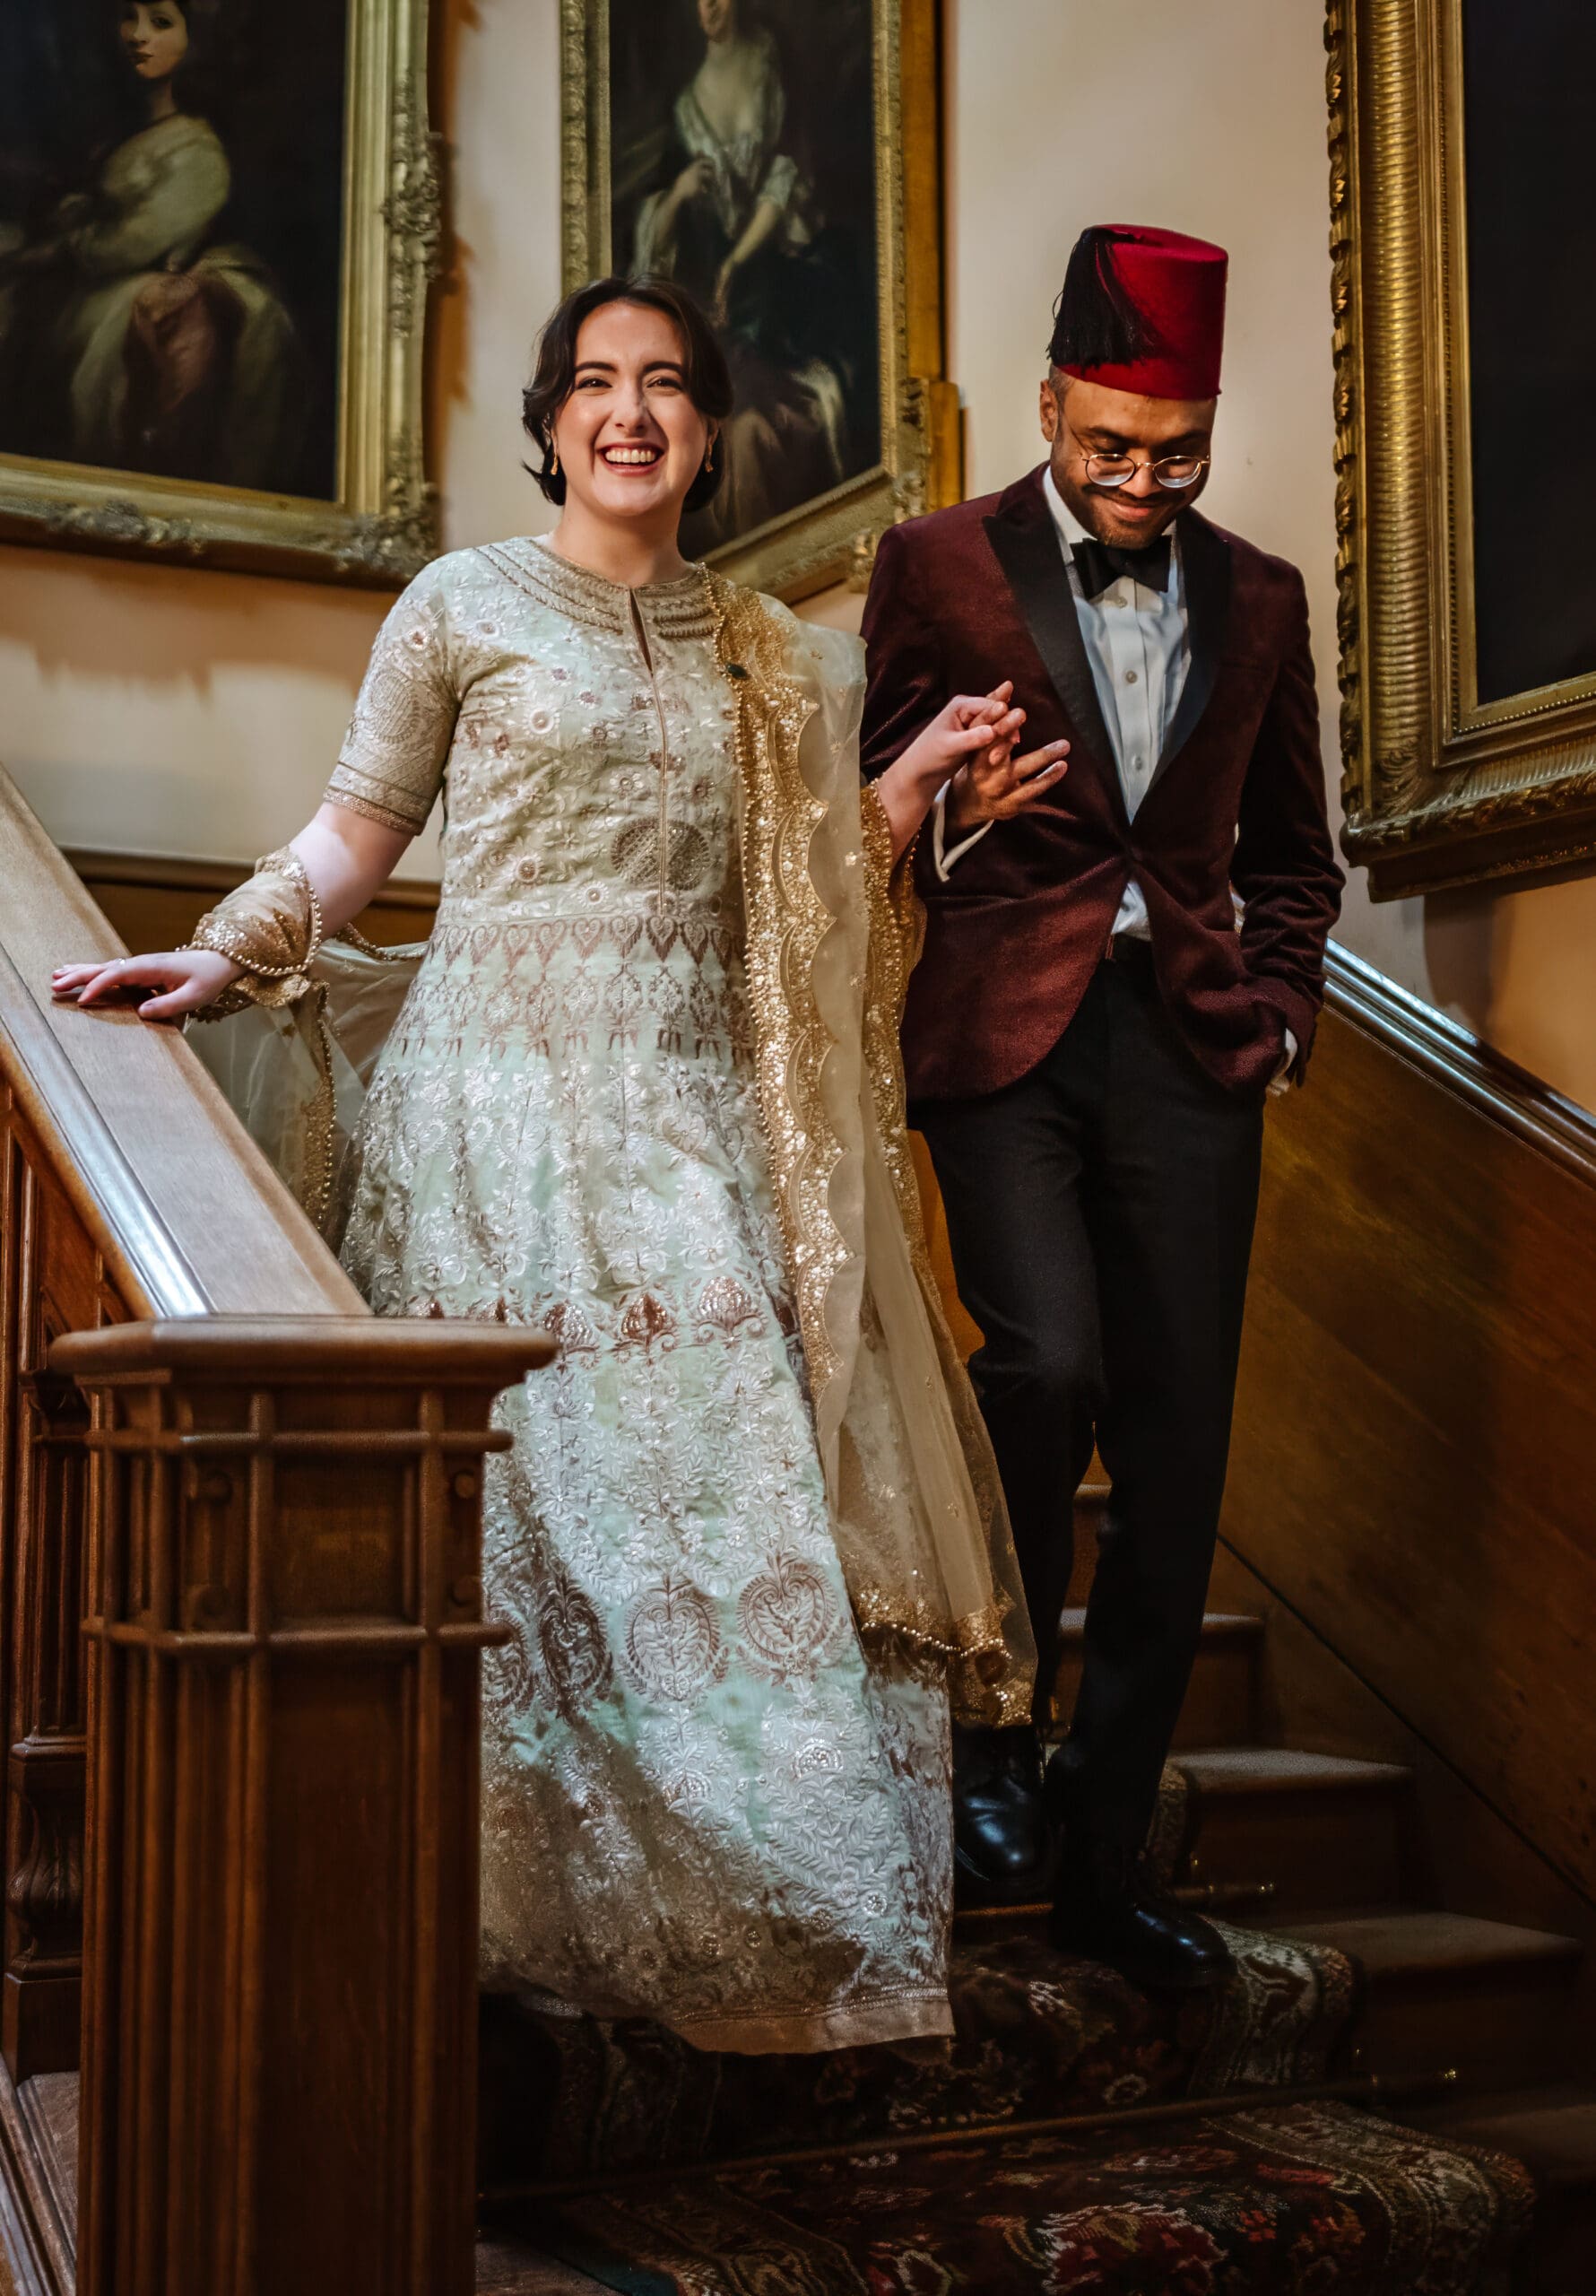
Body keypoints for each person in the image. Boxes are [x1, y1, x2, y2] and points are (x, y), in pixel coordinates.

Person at [53, 274, 1068, 2054]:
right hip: (495, 1109)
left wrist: (912, 789)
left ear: (707, 428)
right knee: (533, 1514)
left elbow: (795, 896)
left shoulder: (775, 653)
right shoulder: (461, 603)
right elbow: (356, 832)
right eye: (594, 381)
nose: (629, 410)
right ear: (550, 422)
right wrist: (224, 948)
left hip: (692, 1117)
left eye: (664, 383)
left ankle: (771, 1918)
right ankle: (500, 1904)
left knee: (728, 1489)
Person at [860, 225, 1344, 1988]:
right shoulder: (933, 563)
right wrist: (953, 803)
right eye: (1111, 448)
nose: (1142, 484)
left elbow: (1293, 855)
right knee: (1043, 1362)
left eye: (1177, 453)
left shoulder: (1263, 597)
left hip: (1193, 1050)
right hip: (1004, 1036)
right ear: (1051, 402)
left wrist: (1275, 1013)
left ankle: (1105, 1844)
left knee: (1176, 1446)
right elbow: (865, 801)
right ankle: (991, 1728)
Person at [0, 0, 303, 487]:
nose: (138, 35)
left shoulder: (198, 150)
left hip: (120, 282)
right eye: (129, 17)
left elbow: (128, 242)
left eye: (160, 23)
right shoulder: (117, 136)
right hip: (90, 281)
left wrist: (46, 253)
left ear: (195, 40)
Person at [630, 0, 864, 549]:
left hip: (785, 269)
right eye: (699, 1)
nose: (708, 9)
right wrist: (681, 194)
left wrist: (738, 260)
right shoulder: (687, 103)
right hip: (727, 291)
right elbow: (658, 232)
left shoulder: (768, 61)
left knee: (762, 421)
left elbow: (787, 174)